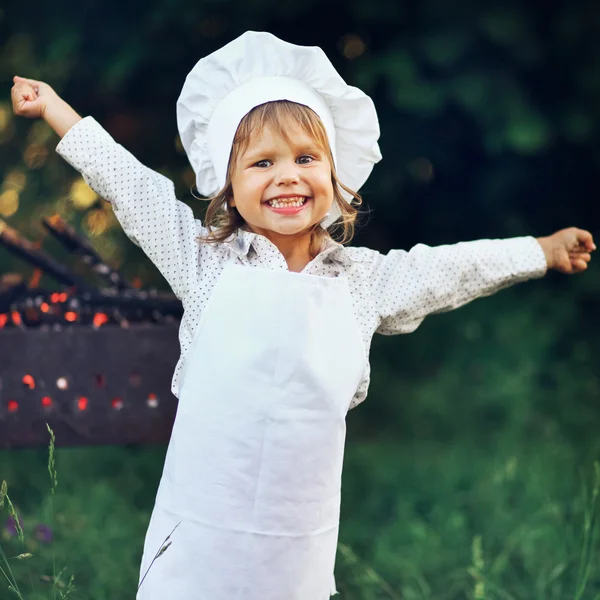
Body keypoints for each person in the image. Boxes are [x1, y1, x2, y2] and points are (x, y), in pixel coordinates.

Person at [11, 31, 595, 600]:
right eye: (262, 163)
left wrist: (537, 251)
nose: (287, 175)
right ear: (228, 188)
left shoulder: (363, 280)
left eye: (305, 158)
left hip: (296, 540)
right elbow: (129, 184)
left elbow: (446, 270)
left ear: (336, 179)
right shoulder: (203, 262)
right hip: (200, 528)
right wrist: (56, 109)